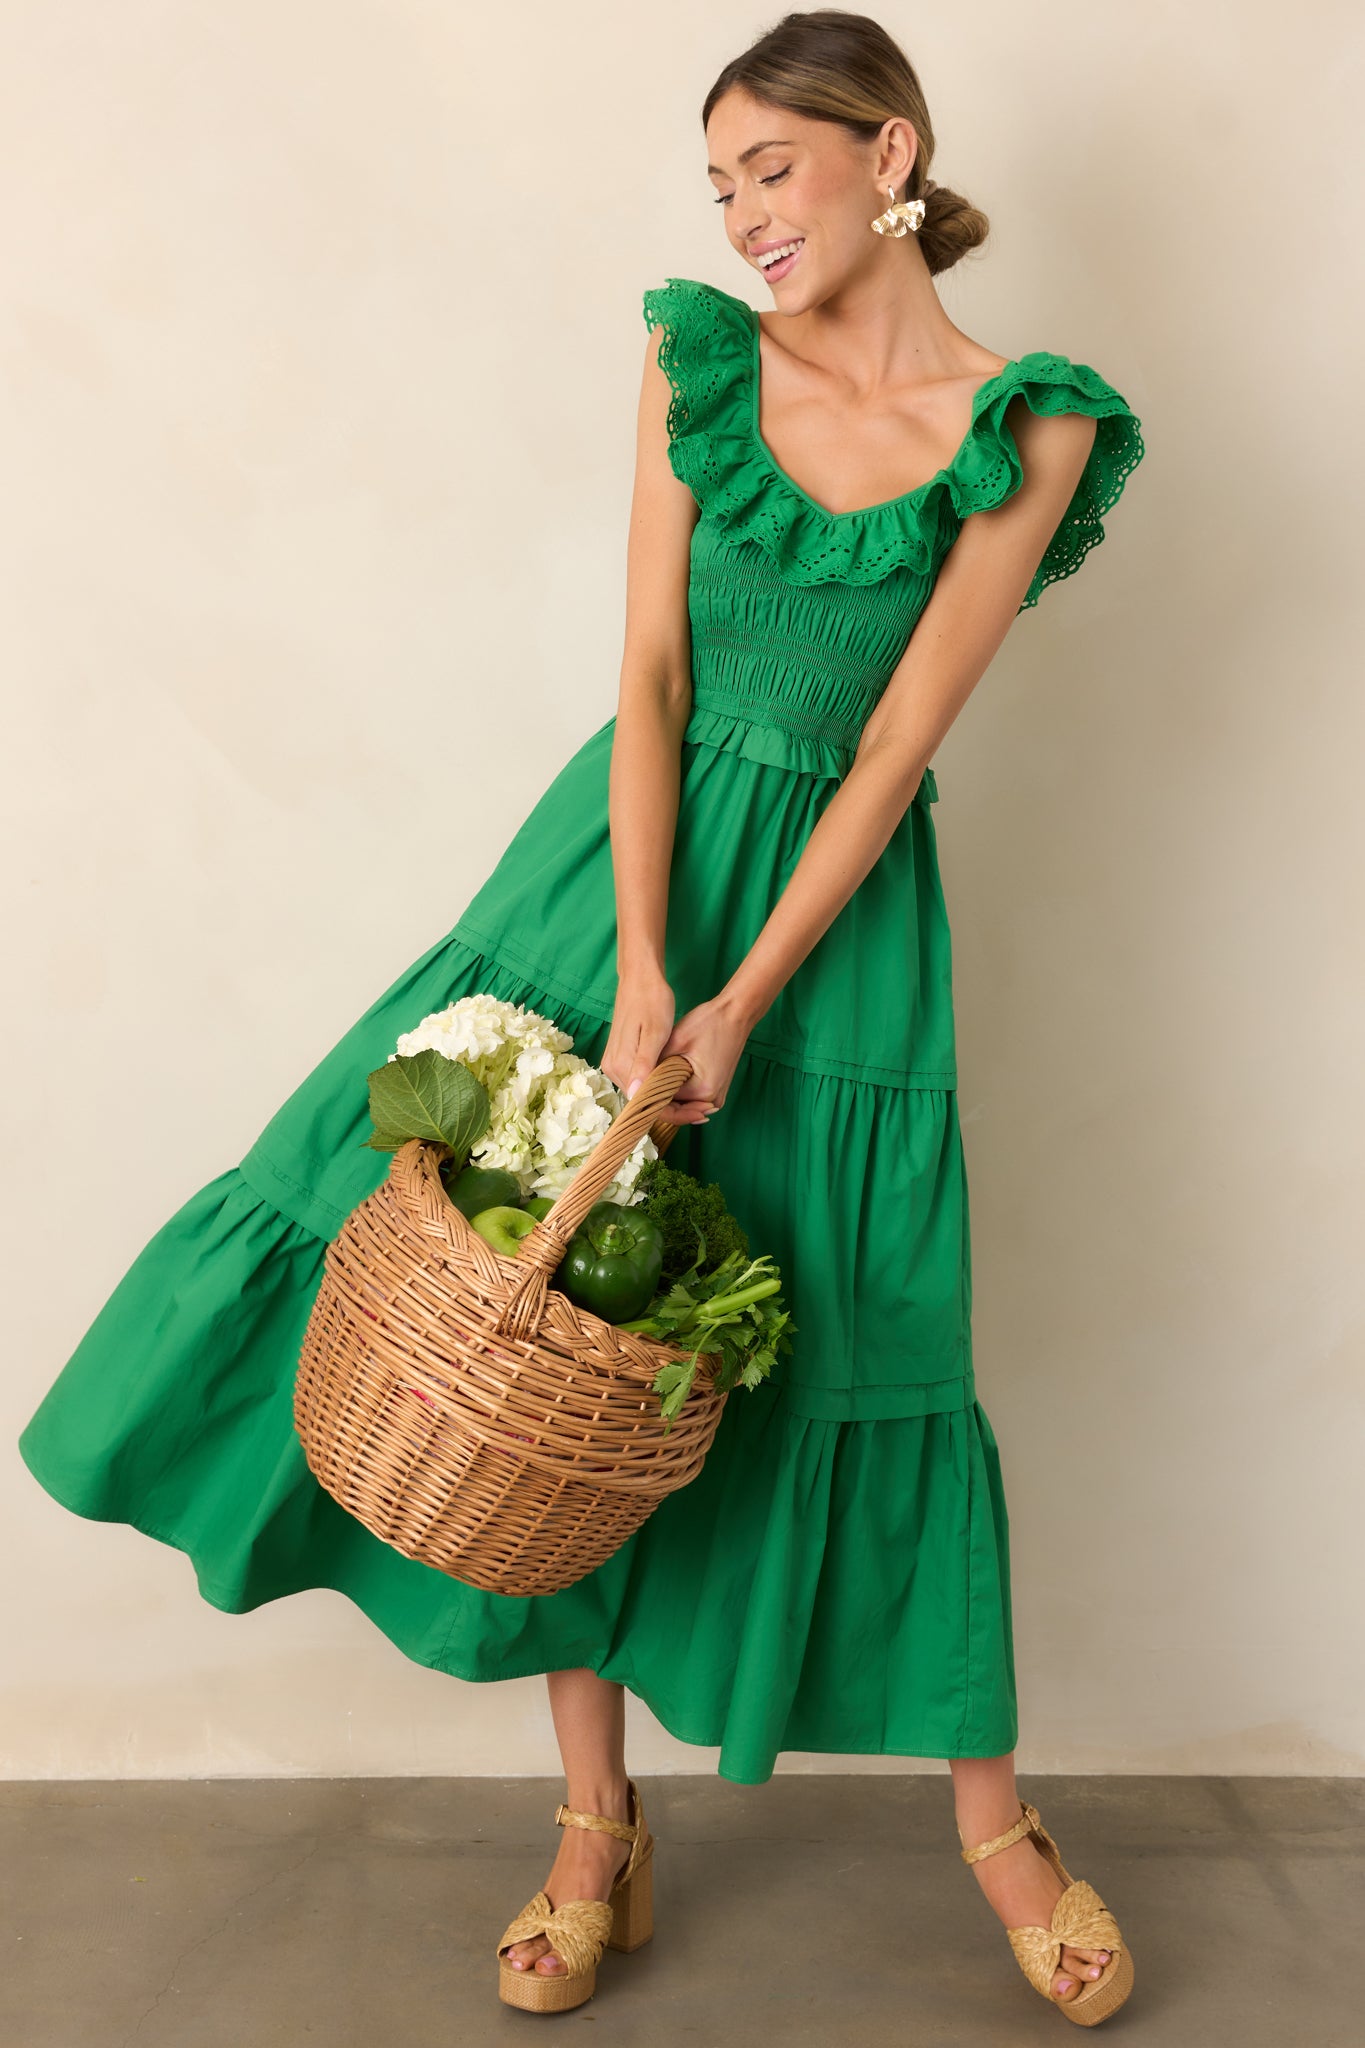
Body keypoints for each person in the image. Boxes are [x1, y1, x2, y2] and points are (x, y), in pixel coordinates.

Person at [18, 7, 1146, 2028]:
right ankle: (591, 1825)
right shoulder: (698, 361)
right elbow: (645, 676)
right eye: (716, 185)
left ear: (887, 153)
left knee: (857, 1330)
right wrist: (638, 968)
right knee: (553, 1327)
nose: (741, 216)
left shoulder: (1026, 423)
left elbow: (898, 743)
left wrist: (741, 996)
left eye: (770, 168)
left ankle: (996, 1827)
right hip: (610, 881)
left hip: (834, 934)